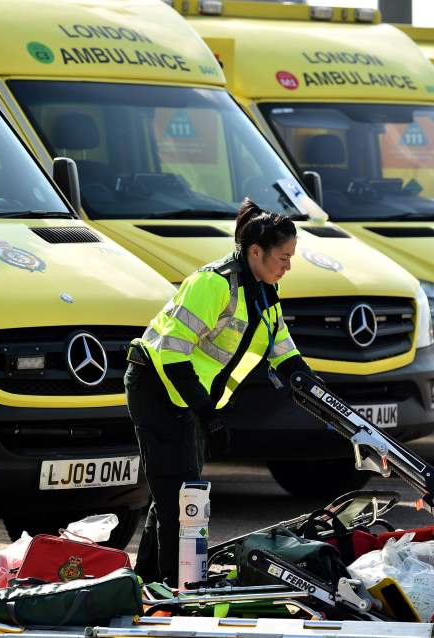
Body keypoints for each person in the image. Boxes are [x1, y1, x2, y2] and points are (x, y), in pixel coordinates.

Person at [124, 198, 312, 585]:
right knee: (182, 497)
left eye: (292, 258)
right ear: (255, 251)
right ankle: (178, 588)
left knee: (175, 489)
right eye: (284, 257)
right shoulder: (214, 283)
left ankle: (146, 581)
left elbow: (283, 349)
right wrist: (207, 413)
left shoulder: (263, 293)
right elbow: (171, 354)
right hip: (157, 388)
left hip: (188, 396)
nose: (288, 267)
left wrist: (308, 381)